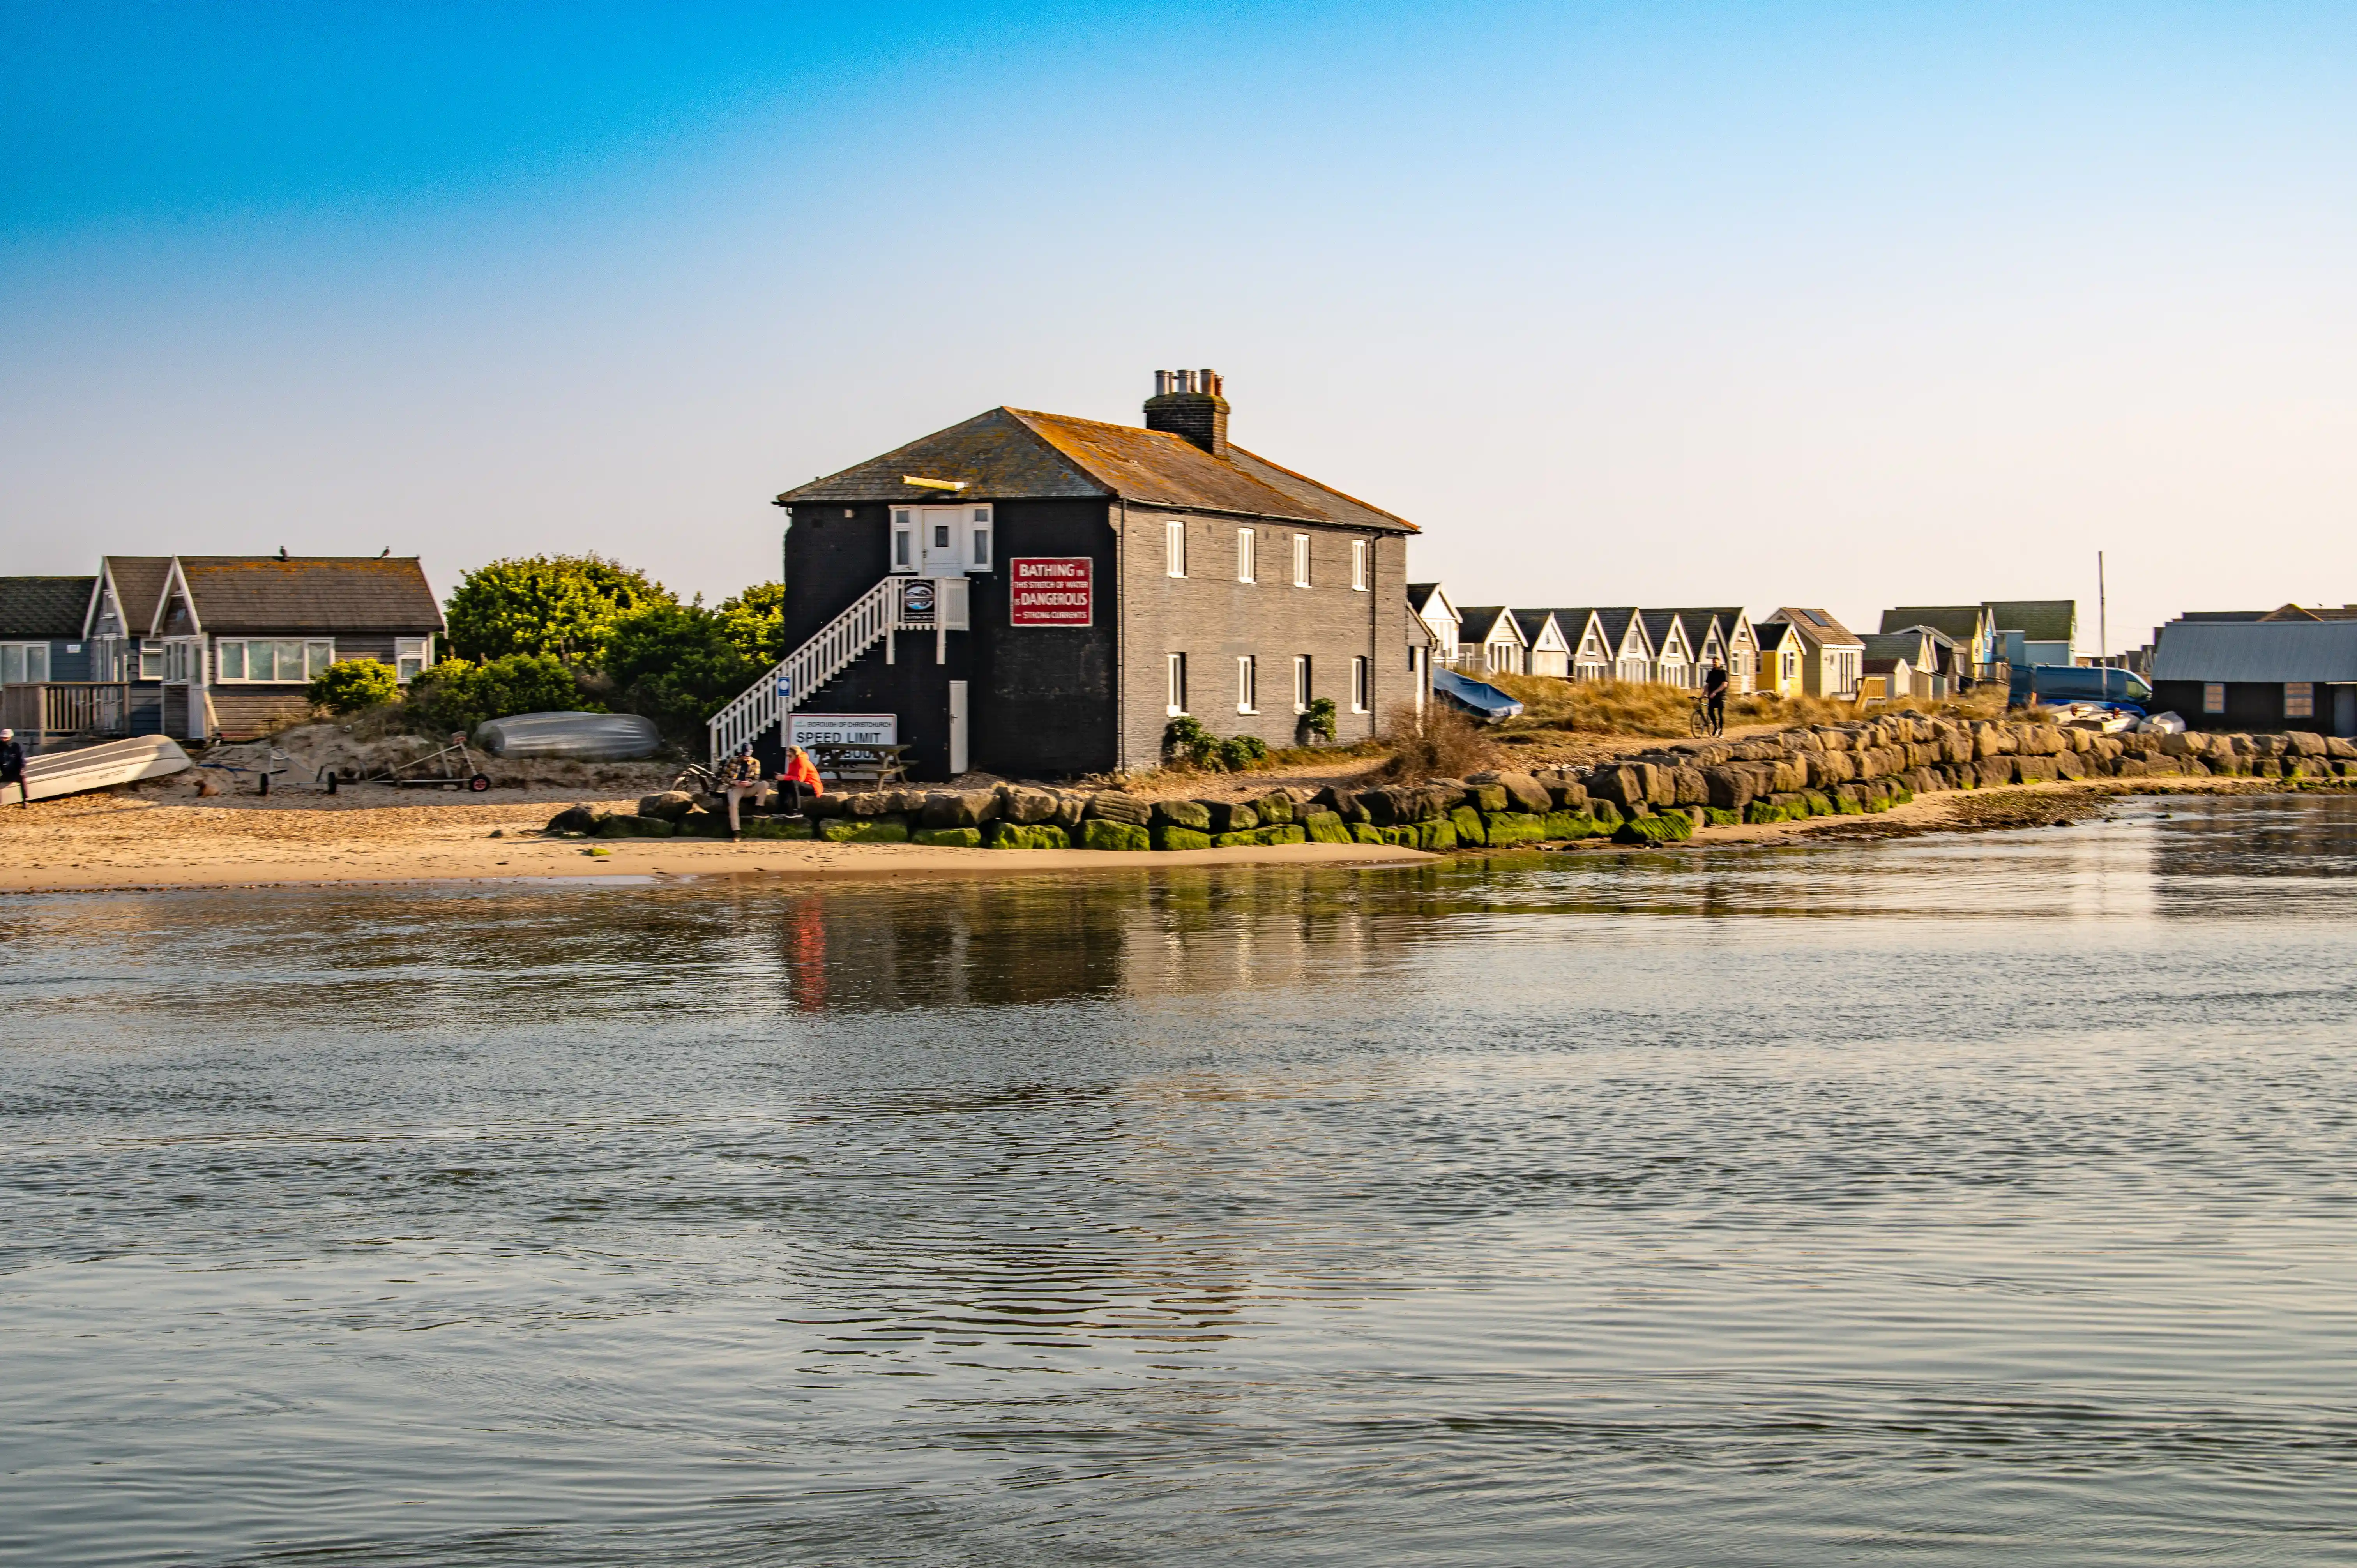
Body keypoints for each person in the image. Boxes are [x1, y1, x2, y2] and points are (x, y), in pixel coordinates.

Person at [719, 746, 765, 839]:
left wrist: (750, 783)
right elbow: (723, 777)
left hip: (749, 787)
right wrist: (734, 782)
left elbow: (757, 779)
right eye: (744, 755)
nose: (746, 758)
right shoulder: (732, 761)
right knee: (733, 806)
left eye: (747, 756)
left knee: (765, 784)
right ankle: (736, 831)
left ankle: (759, 809)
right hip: (735, 787)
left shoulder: (756, 762)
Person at [779, 744, 824, 816]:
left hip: (813, 787)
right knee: (782, 783)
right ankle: (783, 810)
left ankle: (798, 810)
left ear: (796, 755)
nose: (788, 758)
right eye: (788, 756)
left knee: (794, 783)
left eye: (790, 756)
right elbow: (790, 776)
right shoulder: (792, 763)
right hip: (802, 786)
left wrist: (785, 778)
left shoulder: (802, 761)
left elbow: (800, 779)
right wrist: (782, 777)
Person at [1702, 660, 1729, 736]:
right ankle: (1716, 727)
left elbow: (1724, 685)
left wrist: (1715, 692)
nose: (1714, 663)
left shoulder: (1724, 672)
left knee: (1720, 714)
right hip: (1712, 696)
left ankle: (1722, 732)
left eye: (1716, 662)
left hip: (1721, 696)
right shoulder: (1711, 673)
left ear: (1719, 663)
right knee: (1710, 712)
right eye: (1713, 662)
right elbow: (1708, 685)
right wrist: (1704, 694)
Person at [0, 729, 23, 807]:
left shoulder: (16, 746)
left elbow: (22, 759)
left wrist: (21, 770)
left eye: (6, 738)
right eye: (3, 738)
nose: (4, 740)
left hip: (16, 772)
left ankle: (25, 800)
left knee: (23, 779)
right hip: (6, 773)